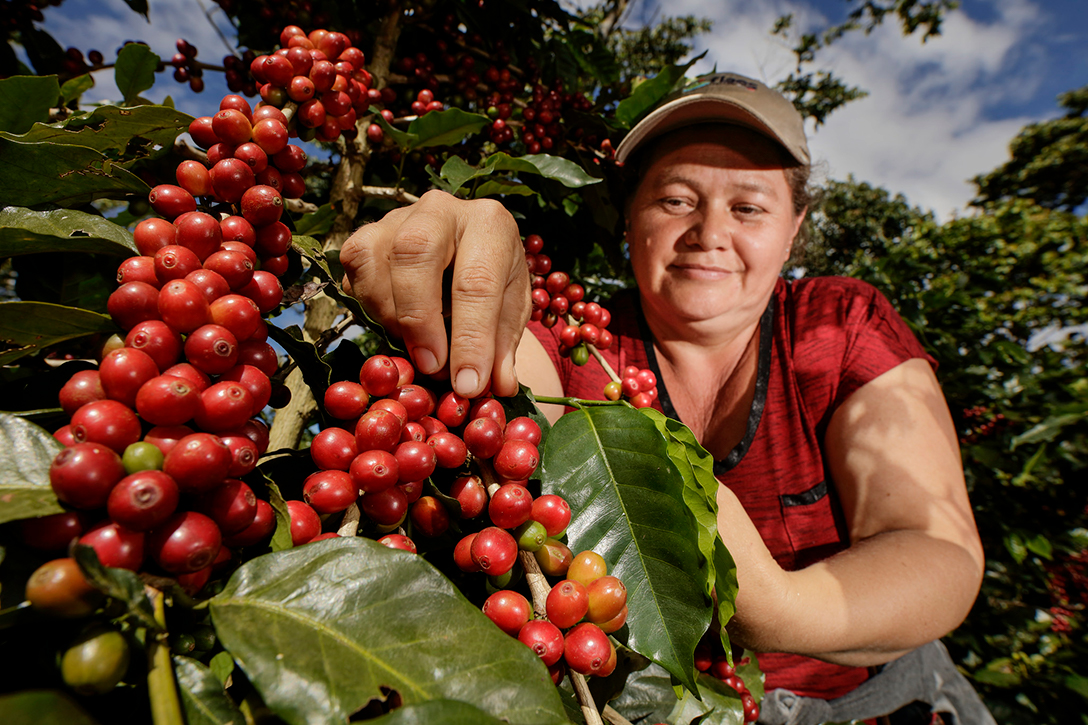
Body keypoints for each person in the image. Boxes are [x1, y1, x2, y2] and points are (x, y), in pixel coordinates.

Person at [341, 72, 993, 724]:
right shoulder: (583, 348)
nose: (708, 231)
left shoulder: (835, 323)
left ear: (793, 228)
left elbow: (939, 549)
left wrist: (777, 605)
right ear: (630, 217)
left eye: (749, 207)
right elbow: (506, 375)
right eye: (675, 200)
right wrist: (462, 286)